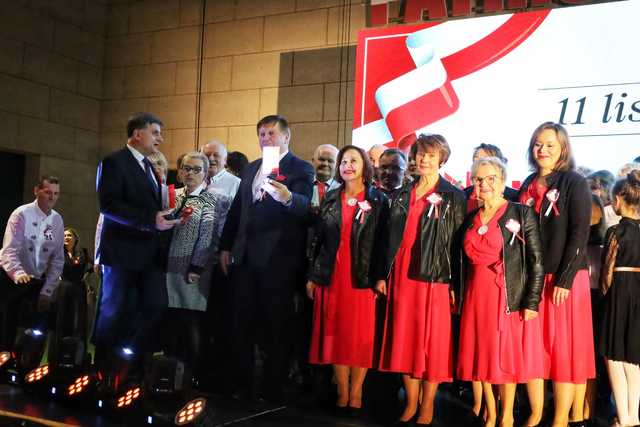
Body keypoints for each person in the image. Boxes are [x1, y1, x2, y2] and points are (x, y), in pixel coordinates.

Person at [219, 115, 314, 402]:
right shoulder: (251, 168)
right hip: (245, 258)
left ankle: (272, 388)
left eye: (271, 133)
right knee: (241, 324)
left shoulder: (300, 168)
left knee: (275, 327)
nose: (265, 139)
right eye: (261, 134)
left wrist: (288, 198)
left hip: (278, 261)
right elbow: (239, 209)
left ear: (286, 137)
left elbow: (305, 208)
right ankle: (242, 385)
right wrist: (226, 246)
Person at [376, 134, 466, 425]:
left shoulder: (453, 195)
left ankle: (428, 404)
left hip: (434, 277)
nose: (424, 159)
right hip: (403, 273)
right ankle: (411, 403)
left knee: (432, 342)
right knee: (404, 337)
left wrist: (454, 283)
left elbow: (456, 244)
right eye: (420, 154)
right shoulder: (403, 193)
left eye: (430, 154)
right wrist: (383, 273)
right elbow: (389, 238)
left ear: (441, 157)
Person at [518, 122, 595, 427]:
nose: (543, 150)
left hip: (564, 279)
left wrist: (563, 279)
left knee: (563, 351)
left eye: (550, 144)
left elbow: (579, 233)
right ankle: (536, 413)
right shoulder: (526, 183)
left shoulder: (573, 182)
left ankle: (561, 418)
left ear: (562, 148)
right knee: (533, 349)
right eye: (538, 144)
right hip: (534, 280)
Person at [457, 157, 544, 427]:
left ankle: (506, 417)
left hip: (505, 296)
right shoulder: (471, 217)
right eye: (479, 179)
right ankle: (491, 415)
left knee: (503, 359)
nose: (484, 184)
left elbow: (536, 261)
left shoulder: (520, 213)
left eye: (490, 178)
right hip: (475, 295)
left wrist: (531, 300)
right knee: (480, 356)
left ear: (503, 181)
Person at [94, 112, 178, 382]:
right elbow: (108, 206)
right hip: (122, 253)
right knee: (116, 312)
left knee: (155, 305)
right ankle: (104, 371)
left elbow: (149, 208)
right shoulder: (114, 162)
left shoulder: (151, 168)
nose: (160, 139)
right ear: (137, 134)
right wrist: (148, 221)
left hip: (149, 255)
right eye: (155, 133)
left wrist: (166, 218)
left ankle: (131, 365)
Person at [306, 145, 388, 414]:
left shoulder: (378, 199)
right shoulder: (330, 198)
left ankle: (357, 392)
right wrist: (313, 275)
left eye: (353, 161)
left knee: (360, 337)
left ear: (365, 166)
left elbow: (382, 244)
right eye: (343, 161)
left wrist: (379, 277)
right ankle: (342, 392)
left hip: (361, 277)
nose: (347, 165)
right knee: (336, 335)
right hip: (332, 274)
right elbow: (317, 240)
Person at [165, 151, 223, 386]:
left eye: (197, 169)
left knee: (191, 323)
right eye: (186, 168)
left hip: (192, 270)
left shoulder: (209, 200)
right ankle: (171, 369)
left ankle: (193, 374)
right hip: (169, 268)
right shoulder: (173, 196)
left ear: (206, 173)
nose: (190, 173)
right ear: (179, 172)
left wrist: (196, 267)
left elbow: (207, 237)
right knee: (172, 322)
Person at [0, 176, 64, 350]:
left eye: (56, 194)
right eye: (48, 192)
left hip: (37, 281)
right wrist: (18, 274)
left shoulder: (56, 221)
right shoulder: (21, 214)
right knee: (7, 327)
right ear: (37, 191)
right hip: (12, 279)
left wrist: (48, 290)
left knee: (38, 331)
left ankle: (29, 364)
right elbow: (9, 251)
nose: (52, 197)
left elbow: (57, 259)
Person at [598, 170, 640, 427]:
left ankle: (623, 418)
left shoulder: (615, 231)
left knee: (614, 357)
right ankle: (633, 416)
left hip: (619, 294)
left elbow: (607, 271)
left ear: (618, 199)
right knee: (634, 359)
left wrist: (604, 299)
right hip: (638, 292)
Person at [464, 143, 518, 212]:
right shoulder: (464, 195)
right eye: (475, 159)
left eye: (484, 159)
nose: (478, 163)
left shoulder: (514, 197)